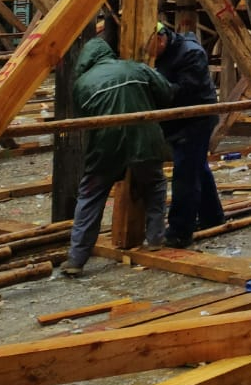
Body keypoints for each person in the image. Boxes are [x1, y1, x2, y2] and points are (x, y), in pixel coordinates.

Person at [62, 36, 172, 277]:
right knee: (154, 185)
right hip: (145, 138)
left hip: (105, 145)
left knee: (90, 196)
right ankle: (155, 239)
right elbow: (166, 92)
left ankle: (76, 258)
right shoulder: (135, 67)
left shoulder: (82, 84)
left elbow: (85, 123)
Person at [150, 23, 225, 248]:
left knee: (185, 173)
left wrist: (150, 82)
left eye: (151, 47)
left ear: (161, 39)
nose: (149, 53)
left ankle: (180, 231)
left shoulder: (190, 53)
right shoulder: (168, 53)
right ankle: (213, 217)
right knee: (196, 167)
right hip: (179, 120)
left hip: (196, 119)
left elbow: (182, 91)